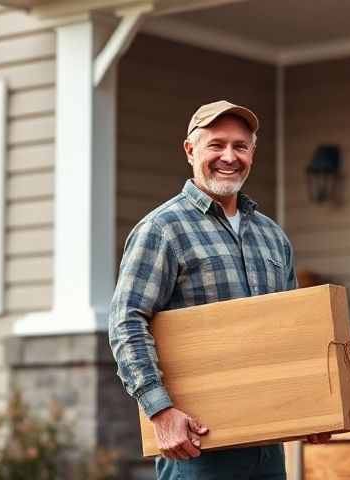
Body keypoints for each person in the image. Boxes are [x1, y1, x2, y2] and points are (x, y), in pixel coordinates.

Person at [108, 100, 328, 480]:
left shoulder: (272, 235)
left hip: (268, 452)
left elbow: (294, 331)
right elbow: (126, 322)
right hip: (197, 448)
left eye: (240, 146)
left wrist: (315, 405)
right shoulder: (162, 229)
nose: (229, 156)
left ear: (252, 154)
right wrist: (160, 411)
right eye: (217, 145)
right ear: (190, 150)